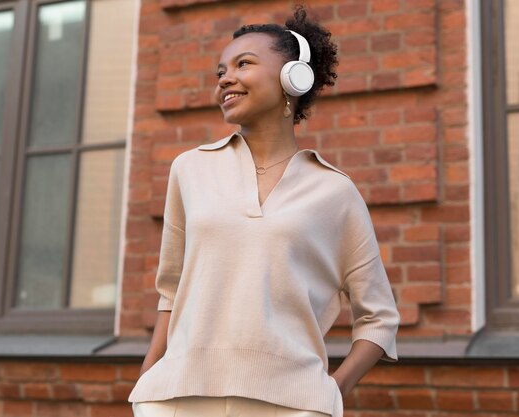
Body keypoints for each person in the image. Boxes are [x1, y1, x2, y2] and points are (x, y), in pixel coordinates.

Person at [128, 6, 400, 417]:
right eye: (221, 70)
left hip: (291, 405)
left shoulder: (335, 191)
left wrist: (331, 392)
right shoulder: (189, 169)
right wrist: (149, 373)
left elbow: (379, 317)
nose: (225, 78)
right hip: (176, 399)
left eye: (244, 64)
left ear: (293, 77)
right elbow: (172, 288)